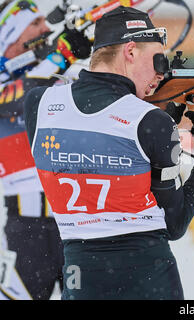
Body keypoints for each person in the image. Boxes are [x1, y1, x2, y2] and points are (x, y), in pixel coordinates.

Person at [23, 6, 194, 300]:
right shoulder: (151, 123)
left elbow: (95, 126)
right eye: (159, 60)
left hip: (80, 278)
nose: (161, 72)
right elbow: (175, 222)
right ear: (130, 52)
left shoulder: (38, 105)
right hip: (148, 278)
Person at [0, 0, 91, 299]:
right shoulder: (16, 82)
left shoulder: (57, 74)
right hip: (25, 232)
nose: (45, 28)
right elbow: (20, 95)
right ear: (10, 35)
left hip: (80, 225)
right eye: (35, 23)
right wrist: (60, 55)